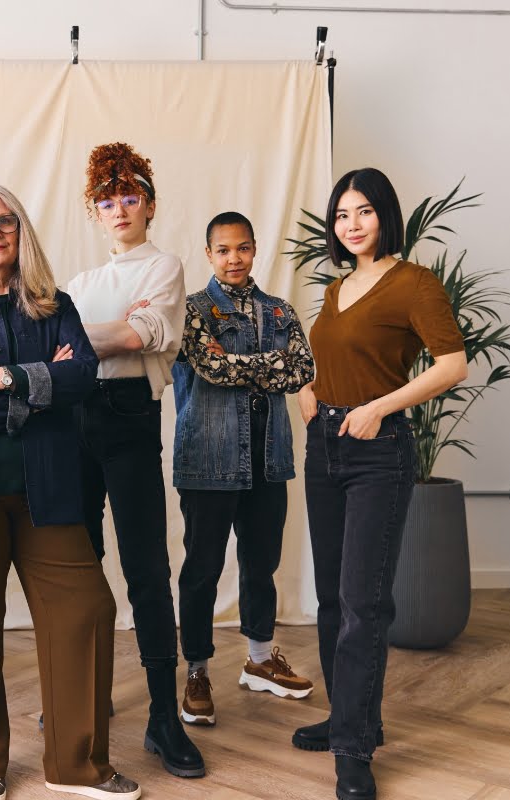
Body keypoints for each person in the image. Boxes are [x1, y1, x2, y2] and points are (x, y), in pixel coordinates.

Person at [0, 181, 141, 800]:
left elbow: (84, 377)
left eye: (4, 223)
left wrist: (5, 378)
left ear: (21, 230)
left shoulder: (54, 303)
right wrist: (40, 388)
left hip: (48, 490)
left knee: (87, 612)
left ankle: (77, 766)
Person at [293, 168, 467, 800]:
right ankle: (348, 718)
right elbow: (328, 358)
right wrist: (307, 390)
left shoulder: (414, 284)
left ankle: (354, 748)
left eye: (364, 211)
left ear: (385, 216)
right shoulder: (338, 288)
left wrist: (381, 408)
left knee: (364, 603)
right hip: (324, 448)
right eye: (342, 214)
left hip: (377, 451)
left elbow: (453, 363)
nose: (352, 224)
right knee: (333, 600)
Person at [66, 142, 204, 779]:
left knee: (146, 565)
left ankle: (162, 716)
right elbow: (102, 339)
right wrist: (89, 340)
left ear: (148, 204)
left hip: (129, 417)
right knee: (80, 563)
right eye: (106, 200)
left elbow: (139, 336)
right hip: (73, 420)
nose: (118, 209)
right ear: (94, 213)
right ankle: (84, 701)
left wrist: (71, 342)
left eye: (129, 197)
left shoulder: (165, 266)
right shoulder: (81, 284)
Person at [171, 212, 316, 730]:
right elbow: (208, 367)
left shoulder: (279, 310)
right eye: (223, 250)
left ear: (255, 250)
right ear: (209, 254)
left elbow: (302, 369)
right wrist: (268, 366)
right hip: (208, 461)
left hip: (269, 459)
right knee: (203, 569)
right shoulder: (191, 310)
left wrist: (246, 367)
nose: (234, 259)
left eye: (243, 248)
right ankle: (197, 671)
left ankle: (259, 658)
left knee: (262, 563)